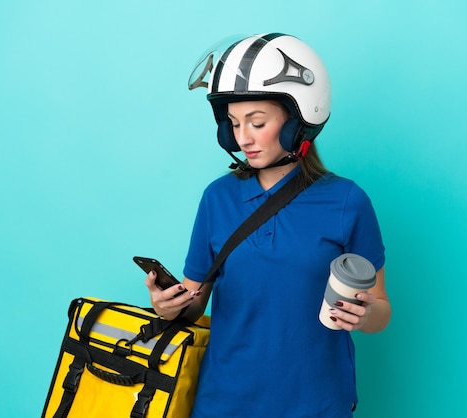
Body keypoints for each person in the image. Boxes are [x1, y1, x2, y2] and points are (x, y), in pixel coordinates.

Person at [145, 33, 391, 417]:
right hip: (223, 402)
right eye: (233, 124)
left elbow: (381, 313)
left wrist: (364, 314)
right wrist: (167, 305)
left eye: (257, 122)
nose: (243, 138)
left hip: (316, 403)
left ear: (297, 122)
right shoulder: (217, 198)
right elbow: (193, 305)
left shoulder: (347, 202)